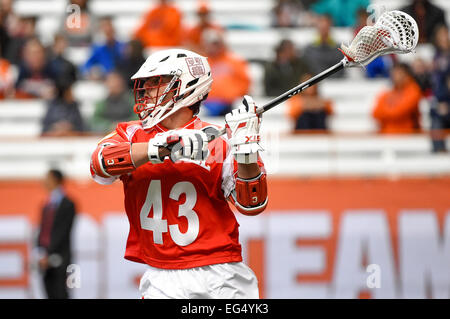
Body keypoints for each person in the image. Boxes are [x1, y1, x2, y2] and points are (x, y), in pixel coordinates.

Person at [89, 48, 268, 299]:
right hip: (161, 274)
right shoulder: (132, 134)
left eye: (156, 82)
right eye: (147, 83)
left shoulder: (222, 140)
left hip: (221, 272)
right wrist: (159, 147)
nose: (147, 90)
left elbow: (252, 204)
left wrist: (246, 151)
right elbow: (99, 165)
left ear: (186, 87)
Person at [36, 169, 77, 299]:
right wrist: (40, 252)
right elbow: (42, 230)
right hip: (44, 259)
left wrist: (49, 253)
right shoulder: (46, 204)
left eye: (47, 178)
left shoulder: (68, 204)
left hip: (61, 258)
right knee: (49, 292)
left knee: (60, 293)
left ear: (55, 179)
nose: (45, 182)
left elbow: (62, 232)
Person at [202, 30, 251, 116]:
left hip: (229, 104)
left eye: (216, 44)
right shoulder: (201, 63)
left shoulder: (235, 61)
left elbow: (245, 83)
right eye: (211, 44)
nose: (213, 47)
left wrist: (231, 96)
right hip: (204, 105)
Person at [372, 62, 423, 134]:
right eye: (393, 74)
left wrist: (386, 112)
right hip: (388, 135)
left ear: (407, 75)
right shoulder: (389, 92)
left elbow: (400, 111)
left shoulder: (414, 90)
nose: (394, 76)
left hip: (408, 135)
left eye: (398, 73)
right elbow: (376, 113)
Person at [81, 16, 125, 80]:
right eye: (104, 28)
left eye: (109, 27)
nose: (107, 29)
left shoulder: (122, 47)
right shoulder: (97, 48)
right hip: (104, 79)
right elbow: (86, 65)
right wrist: (92, 73)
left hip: (120, 78)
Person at [429, 24, 450, 152]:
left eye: (445, 34)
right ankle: (439, 152)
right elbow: (438, 83)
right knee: (435, 115)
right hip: (442, 101)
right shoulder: (437, 57)